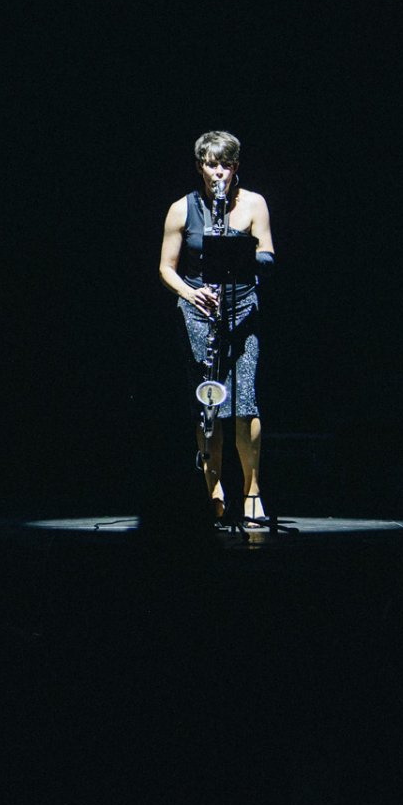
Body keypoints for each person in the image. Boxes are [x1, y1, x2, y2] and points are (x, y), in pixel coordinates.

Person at [159, 131, 276, 528]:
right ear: (200, 167)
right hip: (199, 311)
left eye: (226, 165)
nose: (219, 172)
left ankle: (252, 492)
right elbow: (166, 269)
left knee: (245, 402)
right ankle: (213, 492)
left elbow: (267, 255)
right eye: (212, 165)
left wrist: (243, 258)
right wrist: (191, 295)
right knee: (209, 403)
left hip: (242, 311)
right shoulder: (181, 209)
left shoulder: (254, 203)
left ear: (236, 167)